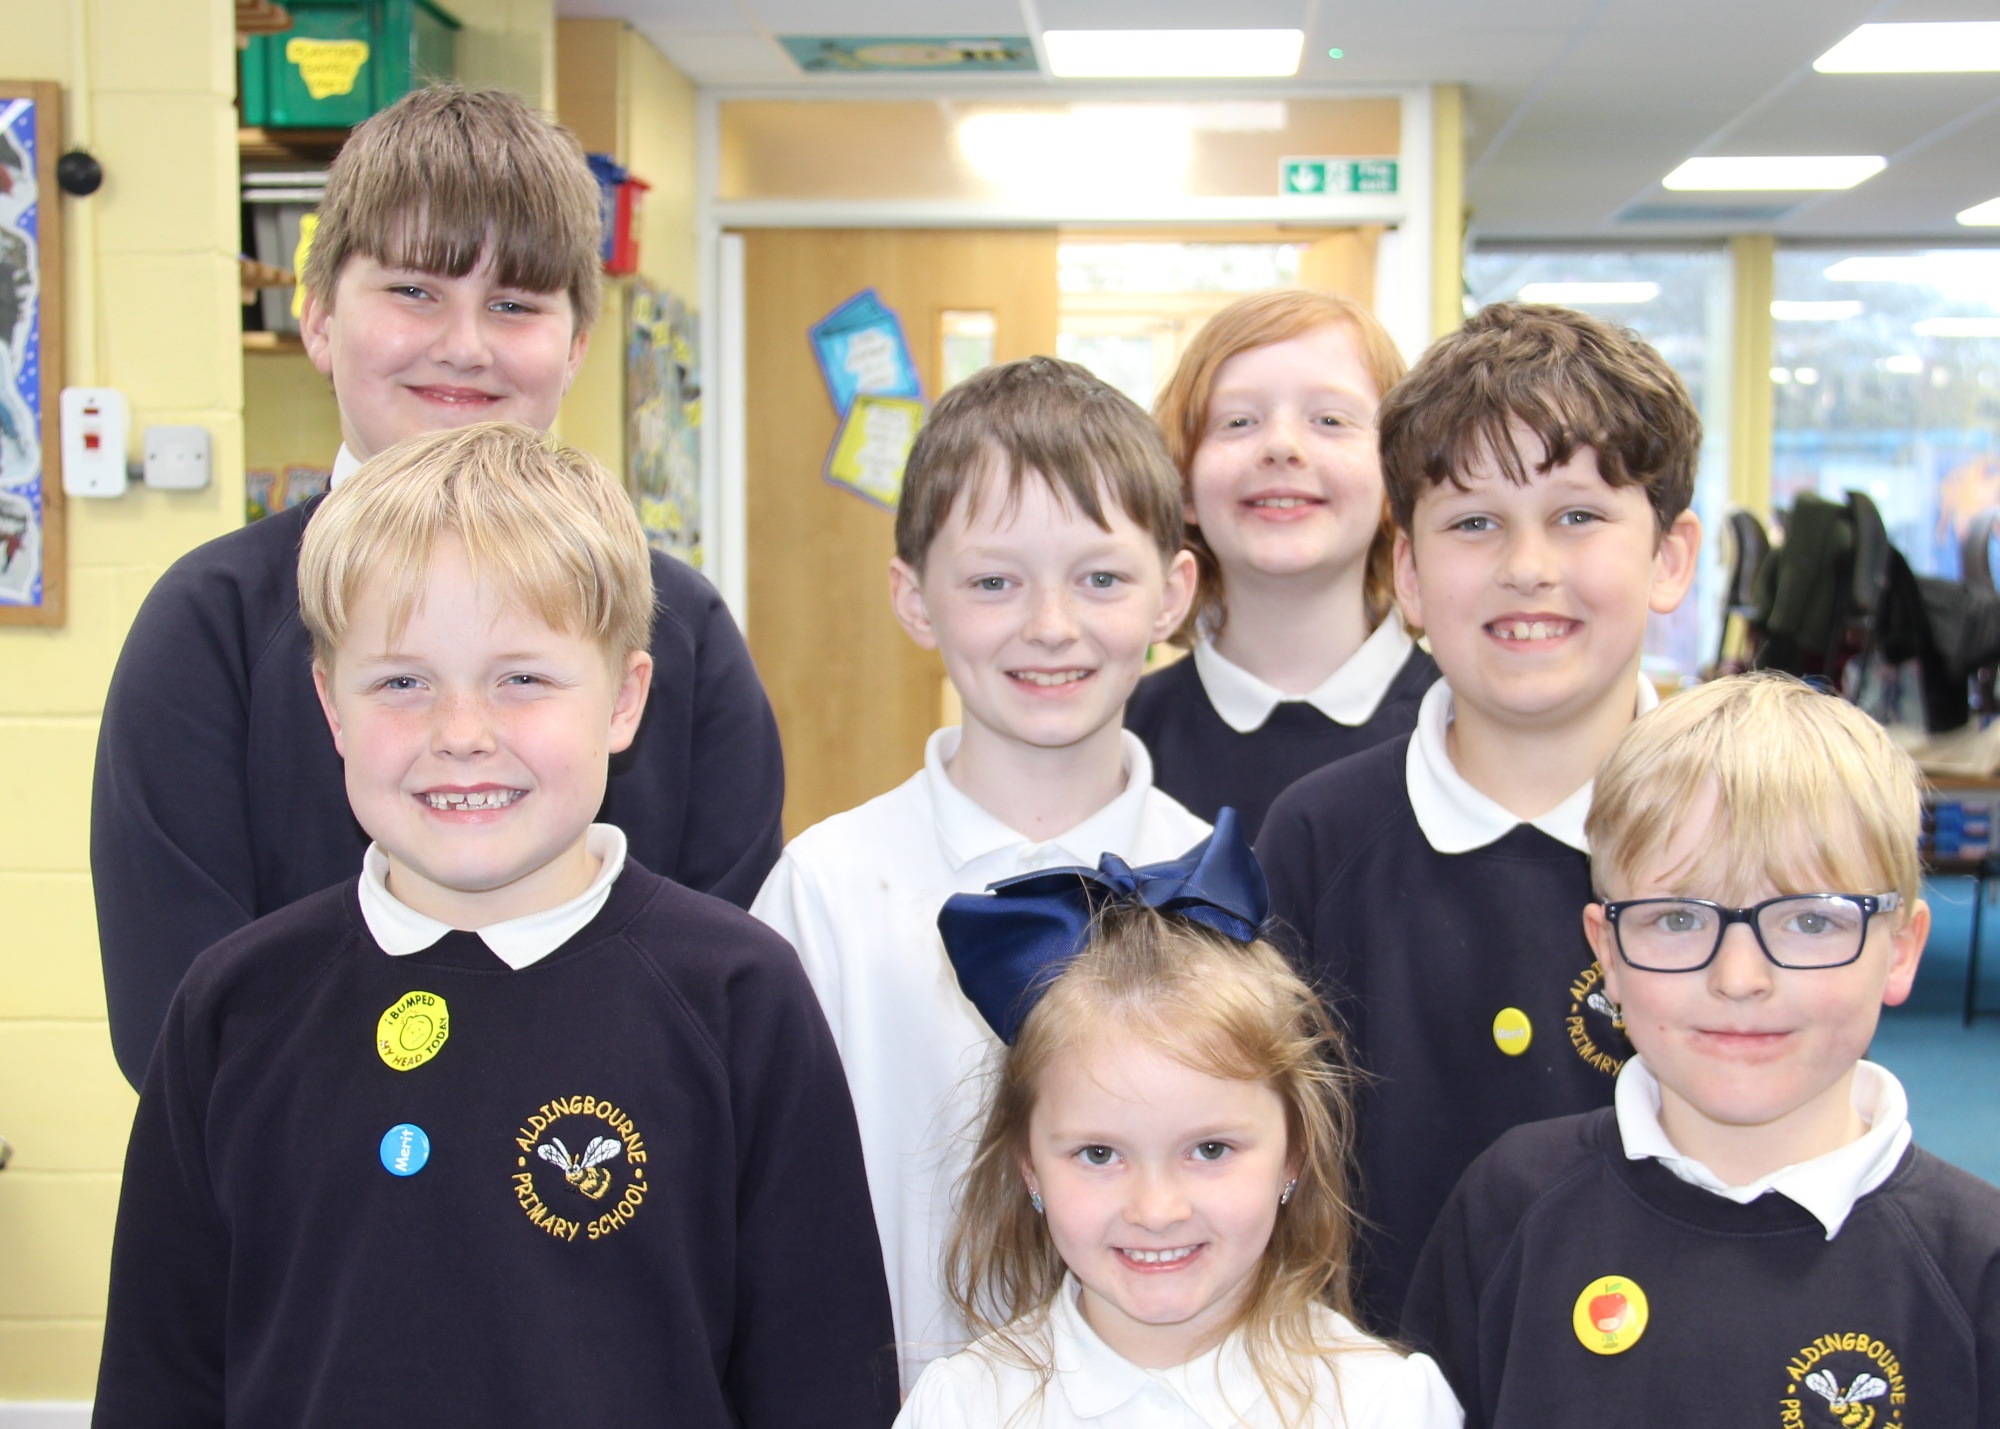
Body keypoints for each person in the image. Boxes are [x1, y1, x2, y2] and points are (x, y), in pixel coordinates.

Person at [91, 424, 897, 1429]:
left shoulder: (740, 996)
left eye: (521, 678)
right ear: (330, 707)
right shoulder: (232, 1006)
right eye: (402, 682)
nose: (461, 733)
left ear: (624, 699)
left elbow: (822, 1383)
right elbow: (158, 1382)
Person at [91, 85, 783, 1087]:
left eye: (514, 304)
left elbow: (726, 1005)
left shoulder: (680, 634)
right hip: (298, 1180)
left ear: (575, 349)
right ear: (320, 320)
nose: (464, 343)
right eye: (414, 291)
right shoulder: (208, 629)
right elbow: (178, 1026)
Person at [752, 356, 1209, 1385]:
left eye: (1100, 578)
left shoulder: (1214, 883)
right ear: (915, 600)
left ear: (1172, 593)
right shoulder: (824, 891)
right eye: (994, 581)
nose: (1049, 625)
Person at [1256, 304, 1703, 1327]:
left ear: (1669, 557)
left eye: (1577, 516)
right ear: (1409, 574)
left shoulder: (1735, 832)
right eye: (1472, 522)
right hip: (1369, 1371)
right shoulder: (1317, 837)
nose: (1526, 565)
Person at [1404, 673, 2000, 1427]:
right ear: (1607, 952)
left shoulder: (1976, 1263)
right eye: (1679, 919)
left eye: (1810, 921)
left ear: (1901, 951)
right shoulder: (1508, 1206)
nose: (1739, 978)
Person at [897, 814, 1462, 1428]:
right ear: (1029, 1168)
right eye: (1099, 1154)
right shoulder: (961, 1409)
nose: (1157, 1210)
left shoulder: (1385, 1406)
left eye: (1211, 1149)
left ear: (1293, 1154)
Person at [1127, 290, 1438, 839]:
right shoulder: (1119, 739)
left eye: (1331, 419)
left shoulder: (1469, 725)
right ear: (1184, 484)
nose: (1281, 445)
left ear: (1397, 478)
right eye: (1237, 421)